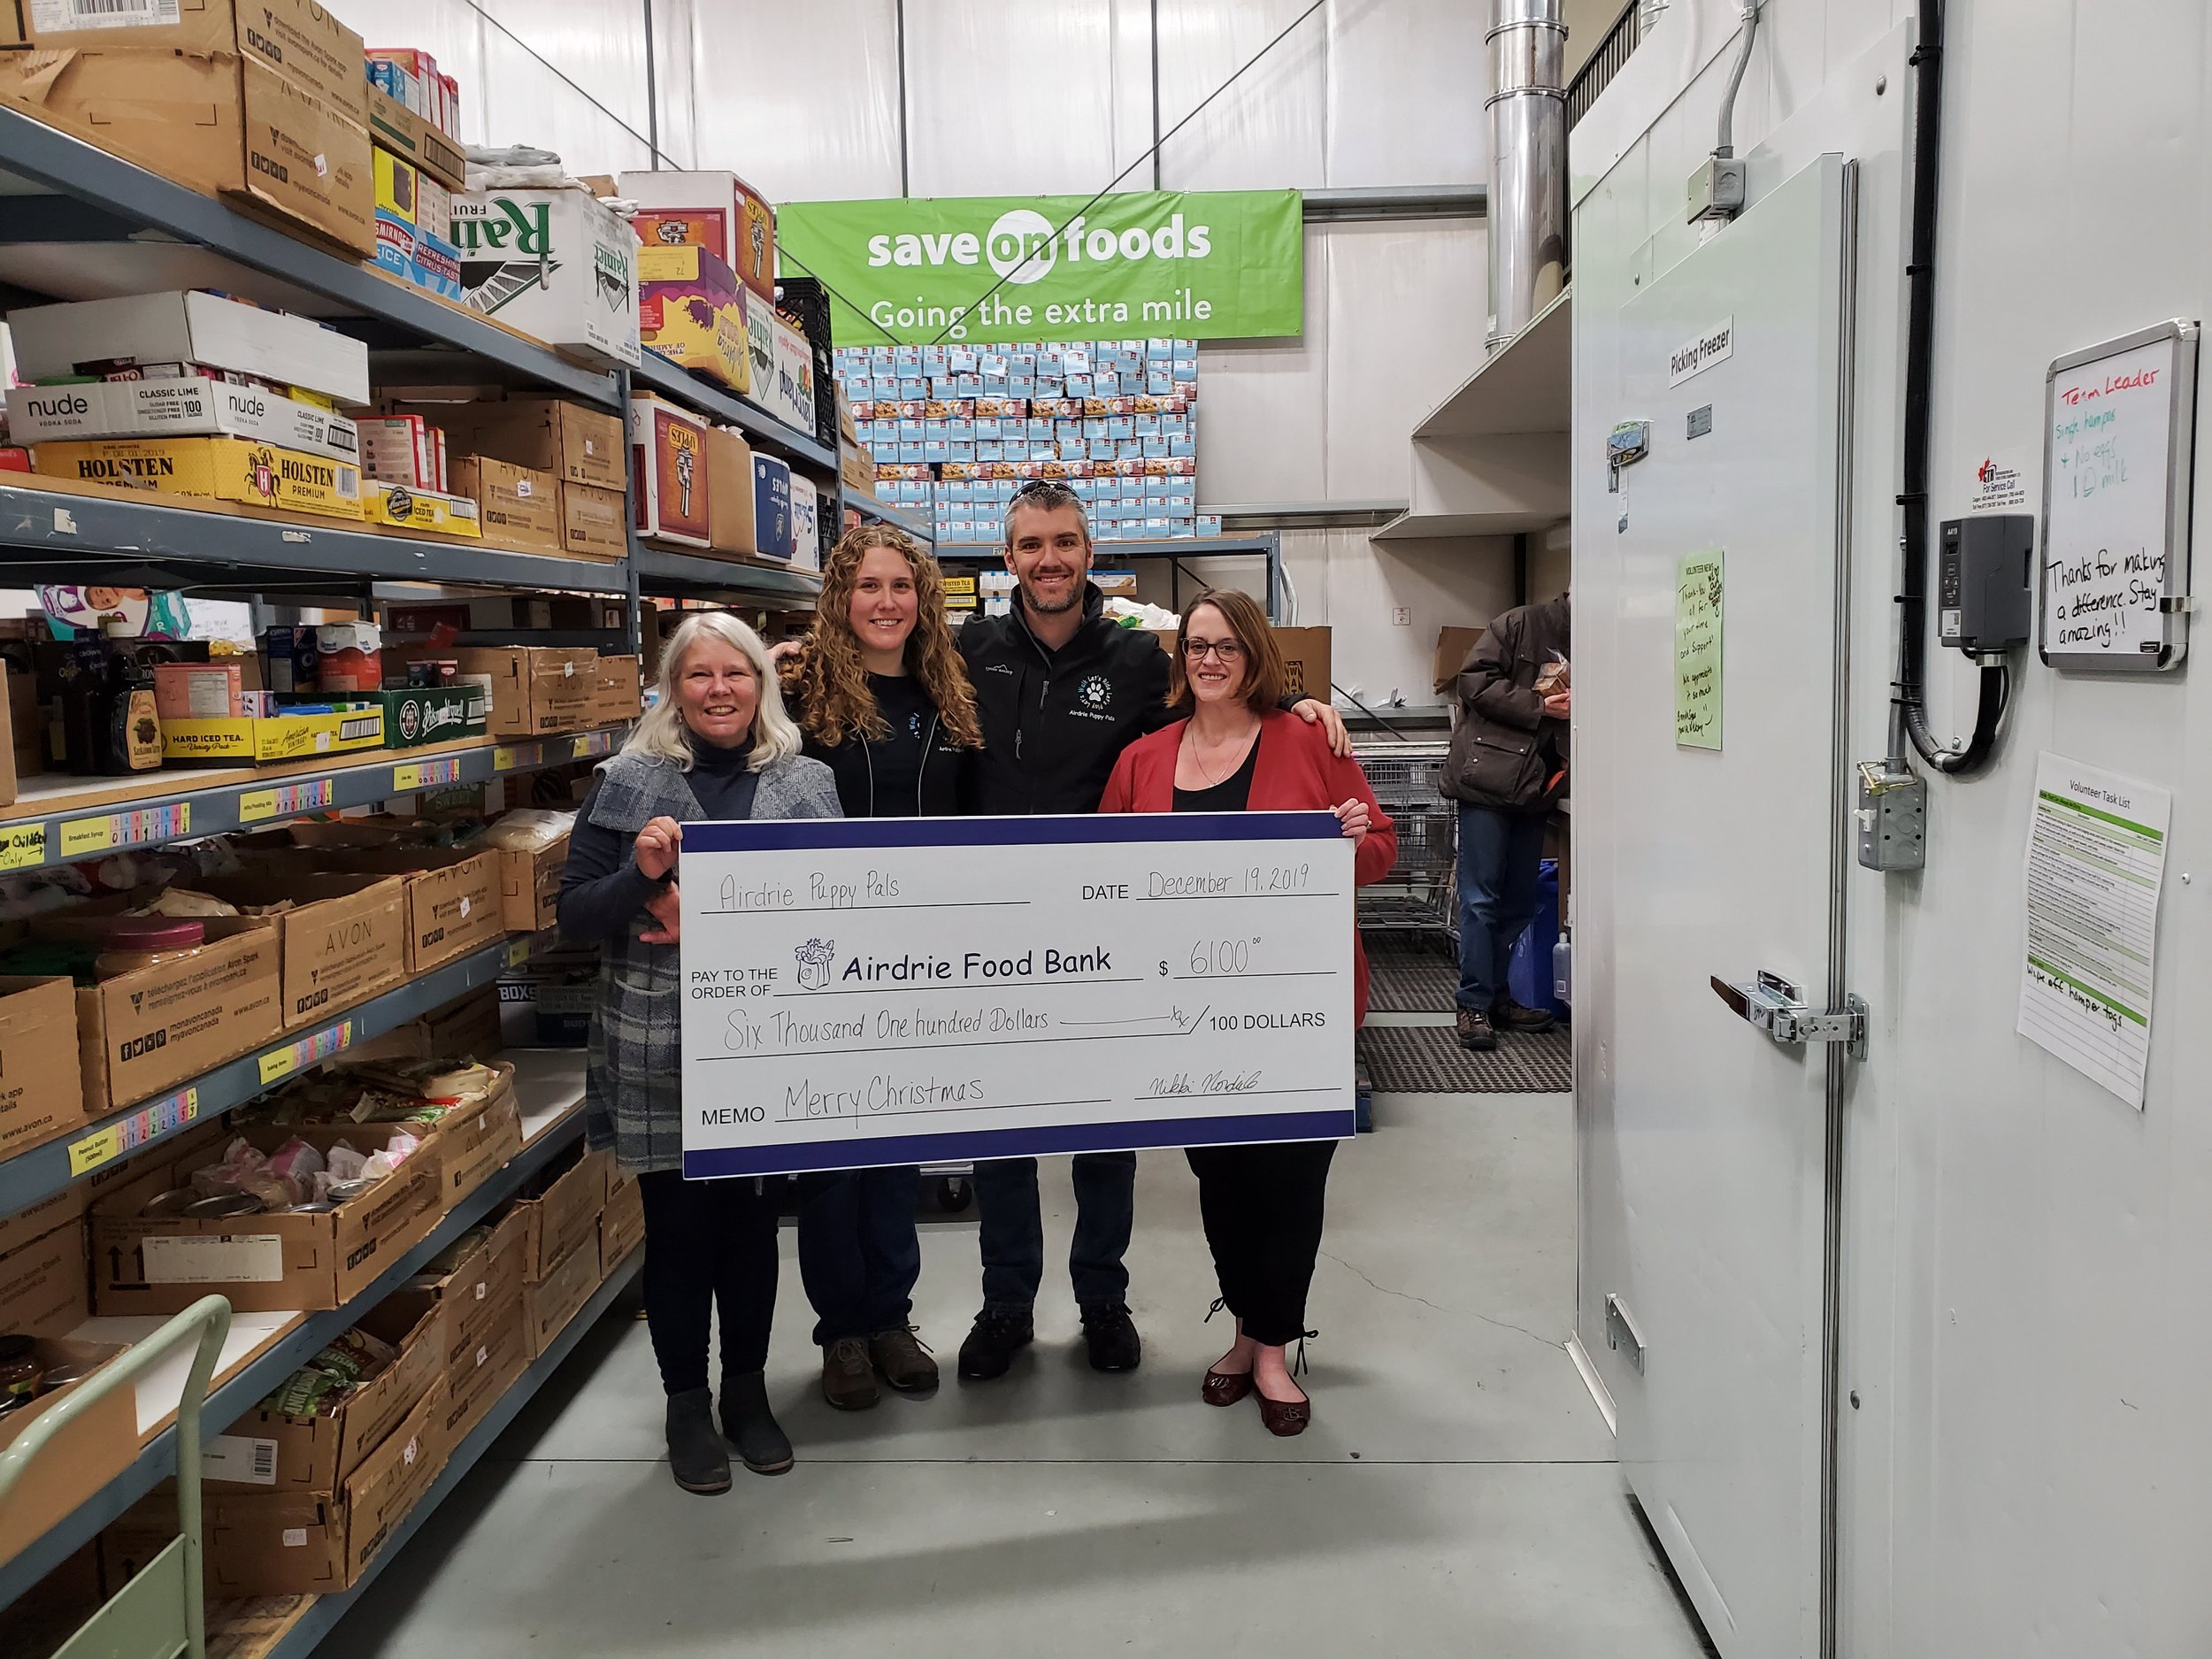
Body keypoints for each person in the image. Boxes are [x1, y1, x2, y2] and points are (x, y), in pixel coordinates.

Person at [952, 479, 1352, 1385]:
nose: (1048, 559)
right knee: (999, 1123)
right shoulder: (966, 649)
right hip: (990, 923)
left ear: (1090, 553)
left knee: (1105, 1126)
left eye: (1064, 542)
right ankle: (1005, 1303)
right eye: (1030, 545)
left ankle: (1102, 1299)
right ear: (1005, 557)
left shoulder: (1136, 658)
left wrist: (1303, 708)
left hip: (1106, 931)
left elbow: (1221, 716)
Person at [1098, 588, 1397, 1436]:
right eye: (1195, 644)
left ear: (1255, 653)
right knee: (1221, 1179)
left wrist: (1349, 840)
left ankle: (1271, 1347)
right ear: (1179, 657)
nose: (1210, 659)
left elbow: (1380, 845)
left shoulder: (1308, 737)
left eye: (1227, 644)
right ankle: (1242, 1330)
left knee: (1291, 1181)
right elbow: (1102, 873)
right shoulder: (1145, 759)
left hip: (1295, 1012)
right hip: (1190, 1016)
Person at [557, 611, 841, 1495]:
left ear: (764, 683)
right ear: (673, 688)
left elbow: (836, 913)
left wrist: (714, 924)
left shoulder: (806, 783)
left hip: (765, 1044)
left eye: (738, 674)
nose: (720, 691)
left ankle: (748, 1393)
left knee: (752, 1231)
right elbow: (574, 917)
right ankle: (687, 1403)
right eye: (699, 675)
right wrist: (641, 874)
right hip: (656, 1039)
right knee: (678, 1232)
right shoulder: (626, 783)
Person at [780, 525, 980, 1411]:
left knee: (895, 1151)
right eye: (869, 586)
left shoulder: (949, 696)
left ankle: (891, 1318)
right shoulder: (798, 699)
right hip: (826, 957)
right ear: (840, 598)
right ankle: (842, 1336)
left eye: (902, 585)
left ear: (922, 599)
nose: (888, 601)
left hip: (919, 955)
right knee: (831, 1158)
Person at [1440, 592, 1571, 1052]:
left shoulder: (1597, 639)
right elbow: (1472, 682)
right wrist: (1540, 708)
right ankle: (1472, 1003)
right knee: (1481, 901)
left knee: (1517, 902)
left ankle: (1497, 997)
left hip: (1536, 789)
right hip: (1488, 783)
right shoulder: (1519, 624)